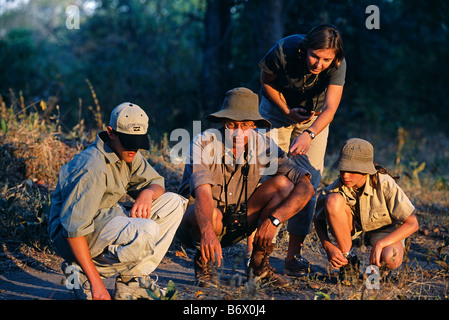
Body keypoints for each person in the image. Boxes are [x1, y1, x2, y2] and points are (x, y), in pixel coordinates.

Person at [177, 87, 314, 288]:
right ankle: (204, 264)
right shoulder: (204, 142)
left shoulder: (263, 144)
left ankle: (258, 266)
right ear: (224, 123)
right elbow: (203, 193)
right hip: (199, 222)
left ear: (254, 125)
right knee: (212, 215)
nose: (238, 132)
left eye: (246, 125)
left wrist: (274, 221)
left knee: (284, 185)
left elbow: (306, 187)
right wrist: (207, 230)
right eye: (232, 125)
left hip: (238, 219)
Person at [48, 102, 187, 300]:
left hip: (105, 219)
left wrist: (147, 194)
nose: (134, 149)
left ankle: (132, 282)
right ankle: (83, 275)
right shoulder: (92, 167)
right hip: (71, 236)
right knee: (146, 229)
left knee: (173, 202)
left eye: (138, 142)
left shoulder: (127, 152)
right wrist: (97, 284)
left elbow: (157, 183)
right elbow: (73, 230)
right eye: (129, 141)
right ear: (111, 132)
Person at [258, 24, 346, 275]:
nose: (319, 64)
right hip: (276, 112)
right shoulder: (285, 49)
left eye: (326, 60)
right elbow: (266, 81)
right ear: (305, 48)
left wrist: (309, 133)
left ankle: (292, 257)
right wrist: (286, 111)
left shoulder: (338, 64)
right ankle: (257, 253)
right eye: (314, 56)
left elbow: (330, 108)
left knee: (309, 183)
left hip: (313, 122)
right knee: (269, 176)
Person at [313, 138, 419, 285]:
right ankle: (349, 263)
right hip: (352, 235)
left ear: (365, 170)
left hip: (383, 232)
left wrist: (380, 244)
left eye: (352, 170)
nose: (345, 175)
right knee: (333, 201)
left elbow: (412, 224)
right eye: (343, 169)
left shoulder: (385, 183)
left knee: (390, 258)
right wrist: (328, 246)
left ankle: (377, 271)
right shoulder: (334, 188)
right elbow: (318, 220)